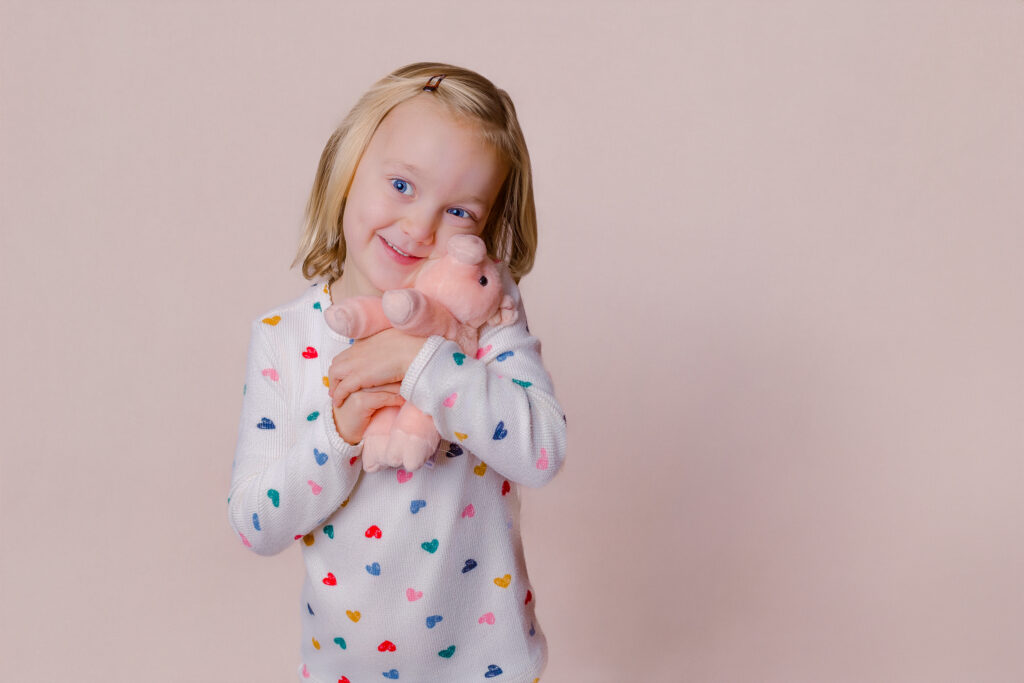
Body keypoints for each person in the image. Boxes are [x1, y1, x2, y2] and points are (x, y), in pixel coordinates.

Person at [227, 62, 566, 683]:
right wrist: (339, 434)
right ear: (348, 169)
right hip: (343, 672)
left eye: (460, 210)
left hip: (492, 668)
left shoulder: (484, 318)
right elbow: (255, 523)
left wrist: (425, 366)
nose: (419, 228)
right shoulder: (284, 338)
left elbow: (542, 451)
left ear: (484, 229)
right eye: (403, 186)